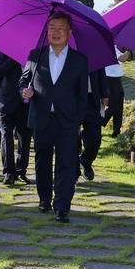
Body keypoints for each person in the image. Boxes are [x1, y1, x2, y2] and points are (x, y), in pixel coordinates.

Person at [20, 12, 88, 223]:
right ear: (47, 31)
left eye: (60, 28)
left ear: (69, 33)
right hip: (41, 117)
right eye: (52, 28)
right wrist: (24, 91)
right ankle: (44, 198)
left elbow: (82, 94)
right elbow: (23, 81)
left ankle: (62, 206)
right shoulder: (35, 55)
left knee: (66, 163)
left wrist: (78, 118)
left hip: (67, 120)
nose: (56, 32)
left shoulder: (79, 60)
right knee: (42, 161)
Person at [0, 52, 32, 185]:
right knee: (6, 137)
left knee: (24, 138)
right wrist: (14, 59)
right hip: (6, 101)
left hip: (26, 103)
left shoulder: (35, 54)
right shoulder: (7, 51)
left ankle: (21, 170)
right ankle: (9, 171)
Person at [77, 68, 108, 181]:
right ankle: (74, 169)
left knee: (95, 139)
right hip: (73, 99)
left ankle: (86, 160)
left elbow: (101, 70)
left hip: (92, 99)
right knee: (71, 138)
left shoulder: (93, 52)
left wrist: (104, 93)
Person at [102, 46, 131, 137]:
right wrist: (129, 51)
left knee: (119, 106)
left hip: (117, 78)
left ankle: (116, 131)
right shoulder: (110, 46)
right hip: (110, 79)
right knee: (113, 106)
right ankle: (97, 124)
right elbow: (123, 58)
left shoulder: (115, 47)